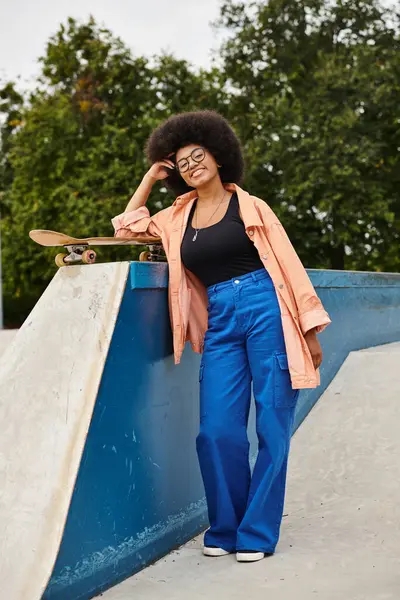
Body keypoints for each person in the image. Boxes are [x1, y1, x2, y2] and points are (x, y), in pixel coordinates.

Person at [112, 110, 331, 563]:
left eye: (199, 155)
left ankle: (256, 532)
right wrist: (151, 176)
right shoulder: (176, 217)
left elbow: (288, 263)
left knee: (272, 422)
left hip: (267, 308)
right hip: (220, 321)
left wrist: (308, 330)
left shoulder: (250, 206)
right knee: (216, 430)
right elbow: (127, 226)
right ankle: (226, 525)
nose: (192, 165)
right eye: (182, 161)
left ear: (218, 154)